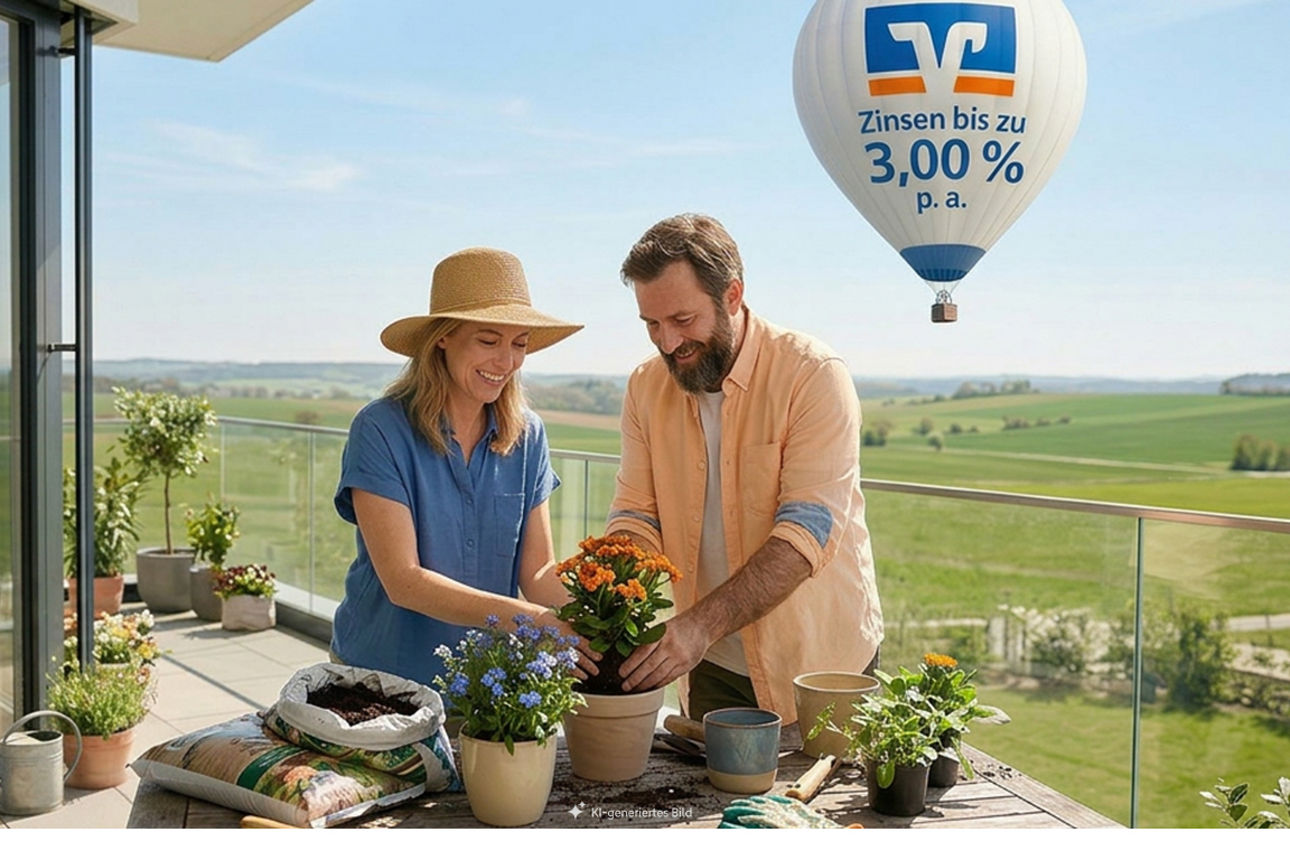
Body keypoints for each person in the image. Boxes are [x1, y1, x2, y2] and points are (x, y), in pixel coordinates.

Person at [607, 213, 884, 723]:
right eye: (652, 324)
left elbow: (806, 534)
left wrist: (698, 625)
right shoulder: (645, 387)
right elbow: (636, 515)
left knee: (824, 802)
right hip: (707, 663)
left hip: (820, 665)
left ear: (732, 296)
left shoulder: (814, 376)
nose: (667, 342)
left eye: (683, 321)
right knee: (713, 802)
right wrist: (614, 591)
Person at [330, 246, 587, 688]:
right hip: (381, 680)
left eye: (519, 344)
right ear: (443, 338)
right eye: (488, 341)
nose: (505, 363)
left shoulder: (528, 436)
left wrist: (600, 620)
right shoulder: (380, 429)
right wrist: (534, 621)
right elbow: (404, 582)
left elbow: (538, 571)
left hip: (485, 687)